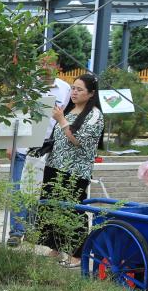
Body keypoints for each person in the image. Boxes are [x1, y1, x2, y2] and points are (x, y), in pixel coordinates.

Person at [7, 51, 72, 247]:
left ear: (58, 67)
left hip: (45, 149)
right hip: (22, 146)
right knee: (17, 190)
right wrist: (10, 143)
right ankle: (16, 232)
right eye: (41, 63)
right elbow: (13, 113)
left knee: (36, 191)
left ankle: (31, 230)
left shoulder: (65, 89)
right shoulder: (25, 86)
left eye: (49, 64)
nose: (44, 67)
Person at [38, 74, 105, 263]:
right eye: (73, 88)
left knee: (73, 211)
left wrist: (61, 120)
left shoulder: (95, 115)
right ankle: (55, 247)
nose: (74, 92)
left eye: (79, 89)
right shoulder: (68, 110)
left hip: (75, 171)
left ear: (91, 94)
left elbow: (79, 141)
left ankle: (76, 254)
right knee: (52, 207)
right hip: (54, 166)